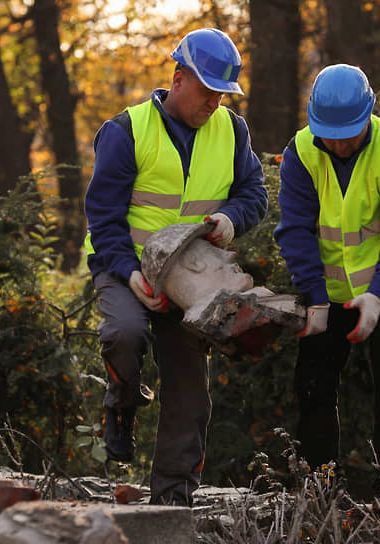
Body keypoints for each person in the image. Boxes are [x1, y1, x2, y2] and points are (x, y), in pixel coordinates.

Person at [83, 28, 268, 506]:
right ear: (178, 79)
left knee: (189, 394)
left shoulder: (233, 130)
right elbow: (103, 219)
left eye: (222, 95)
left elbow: (254, 193)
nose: (215, 104)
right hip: (123, 263)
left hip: (192, 276)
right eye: (208, 91)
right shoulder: (125, 132)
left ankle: (172, 504)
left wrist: (231, 218)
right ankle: (121, 408)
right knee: (124, 333)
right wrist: (129, 273)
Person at [273, 64, 380, 484]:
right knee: (313, 386)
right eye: (331, 133)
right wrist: (316, 298)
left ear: (369, 116)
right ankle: (320, 489)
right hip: (326, 292)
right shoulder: (301, 152)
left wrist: (377, 294)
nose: (340, 144)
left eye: (350, 134)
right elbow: (296, 231)